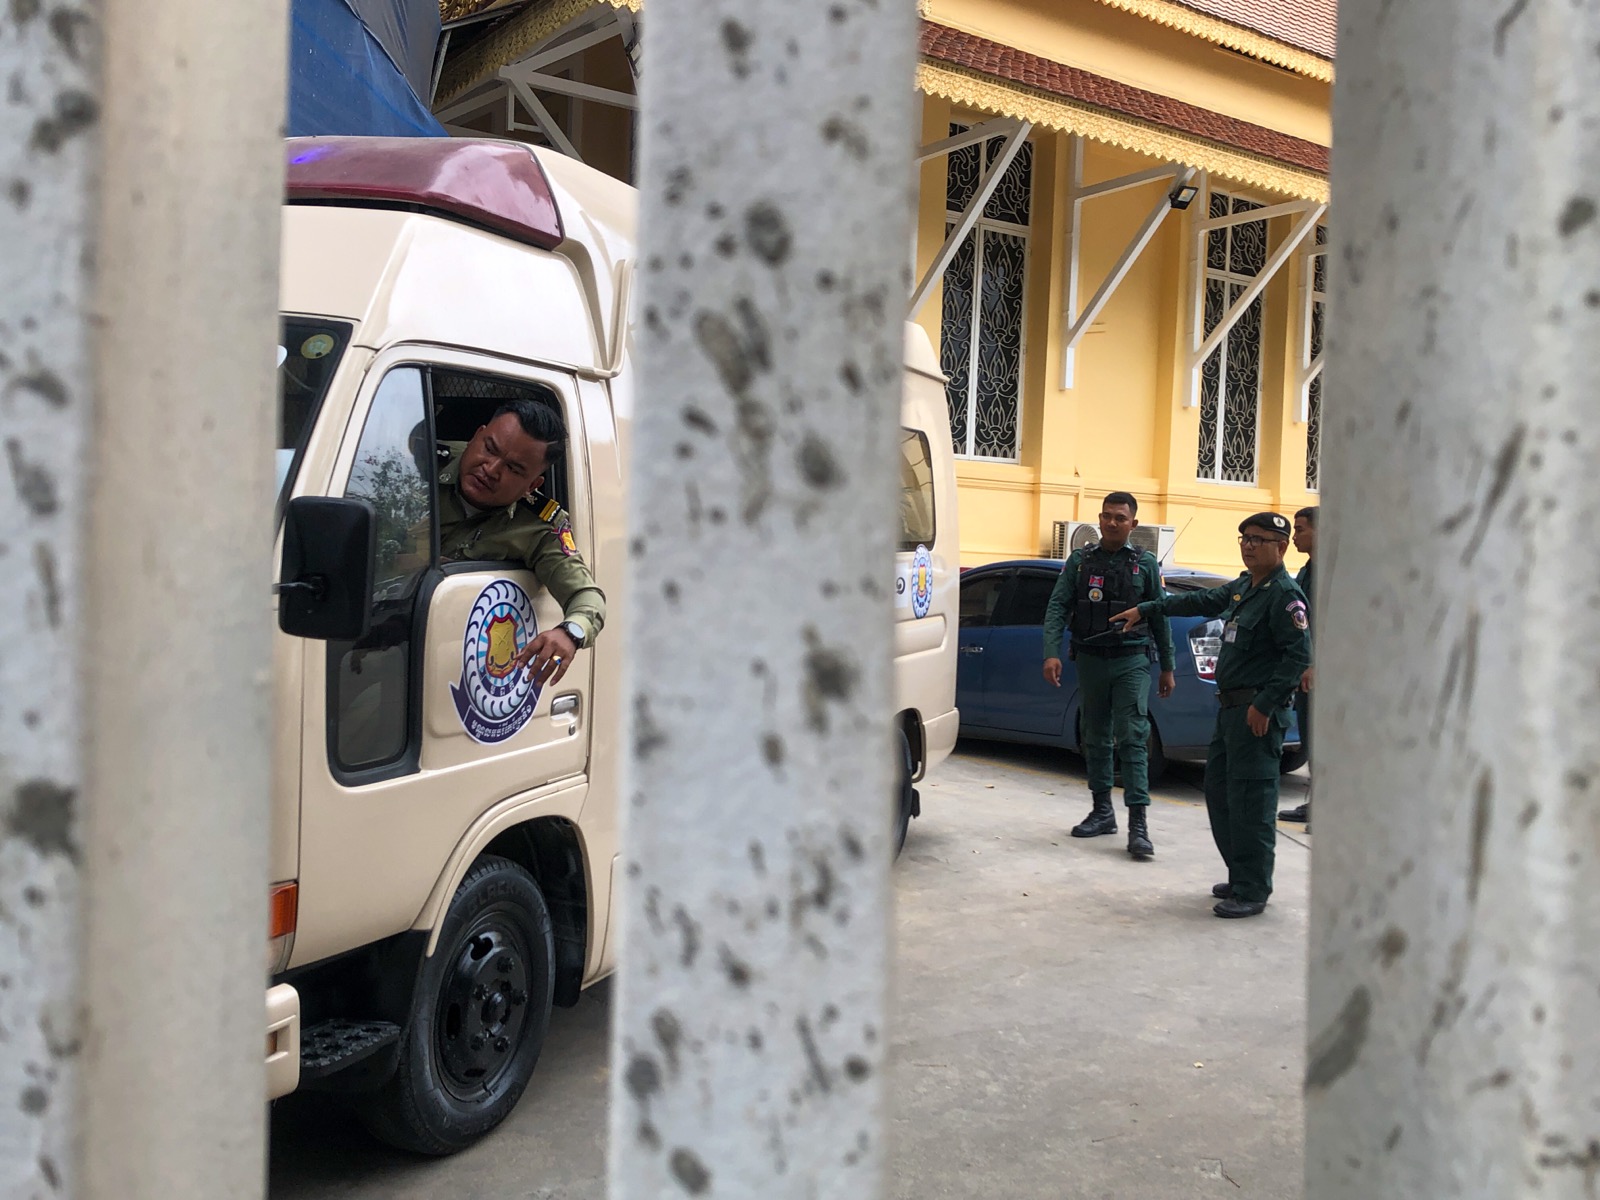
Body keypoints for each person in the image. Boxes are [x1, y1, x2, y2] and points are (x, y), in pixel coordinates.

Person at [1112, 513, 1309, 917]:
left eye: (1259, 539)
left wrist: (1266, 704)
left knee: (1252, 802)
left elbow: (1300, 654)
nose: (1248, 545)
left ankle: (1254, 889)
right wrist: (1147, 609)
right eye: (1244, 537)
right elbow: (1198, 600)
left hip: (1256, 715)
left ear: (1281, 547)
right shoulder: (1243, 587)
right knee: (1221, 796)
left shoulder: (1285, 596)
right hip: (1229, 711)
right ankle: (1239, 876)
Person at [436, 399, 607, 686]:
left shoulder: (538, 525)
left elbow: (587, 597)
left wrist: (570, 633)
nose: (491, 469)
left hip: (446, 657)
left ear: (532, 485)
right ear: (476, 436)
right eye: (489, 449)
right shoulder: (416, 462)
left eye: (514, 469)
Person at [1042, 492, 1175, 859]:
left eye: (1120, 517)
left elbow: (1160, 616)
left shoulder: (1145, 565)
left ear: (1133, 523)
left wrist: (1168, 666)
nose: (1112, 523)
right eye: (1106, 516)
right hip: (1090, 658)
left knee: (1133, 737)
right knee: (1095, 736)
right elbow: (1057, 606)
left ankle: (1139, 824)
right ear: (1099, 520)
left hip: (1131, 659)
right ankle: (1102, 811)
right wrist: (1051, 652)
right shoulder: (1080, 561)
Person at [1279, 506, 1317, 826]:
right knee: (1309, 737)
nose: (1294, 537)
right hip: (1304, 670)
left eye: (1300, 529)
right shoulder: (1306, 570)